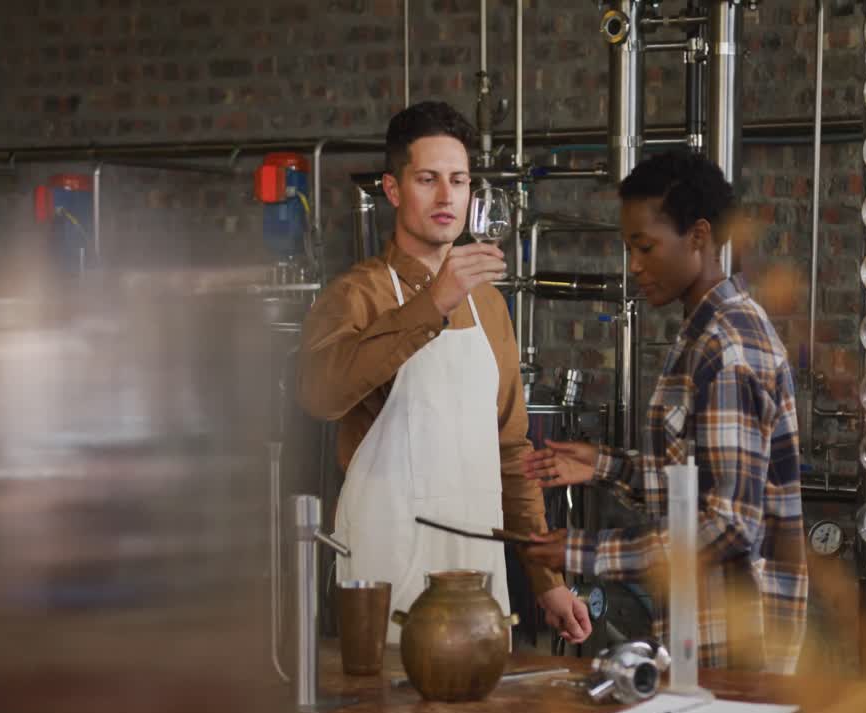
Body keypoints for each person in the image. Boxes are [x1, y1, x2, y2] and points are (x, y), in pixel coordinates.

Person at [297, 101, 590, 645]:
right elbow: (320, 394)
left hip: (478, 563)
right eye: (427, 179)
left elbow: (512, 453)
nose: (446, 196)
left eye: (458, 180)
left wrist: (547, 581)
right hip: (387, 562)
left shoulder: (491, 307)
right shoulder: (355, 295)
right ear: (392, 189)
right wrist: (433, 301)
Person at [521, 151, 808, 673]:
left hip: (736, 647)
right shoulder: (703, 333)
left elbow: (728, 527)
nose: (634, 265)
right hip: (701, 632)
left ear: (698, 236)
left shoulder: (728, 349)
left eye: (645, 246)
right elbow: (694, 484)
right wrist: (604, 466)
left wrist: (586, 553)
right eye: (629, 247)